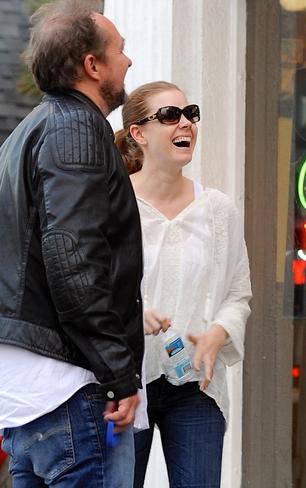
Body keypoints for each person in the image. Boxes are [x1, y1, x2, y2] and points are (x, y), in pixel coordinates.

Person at [0, 0, 143, 486]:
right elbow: (73, 258)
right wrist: (119, 374)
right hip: (71, 390)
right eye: (120, 50)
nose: (128, 61)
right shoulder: (77, 127)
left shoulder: (25, 133)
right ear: (92, 64)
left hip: (28, 402)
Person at [115, 81, 251, 488]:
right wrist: (130, 317)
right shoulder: (113, 205)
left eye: (190, 113)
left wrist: (218, 332)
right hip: (125, 381)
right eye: (170, 116)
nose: (186, 124)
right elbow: (90, 289)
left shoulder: (218, 209)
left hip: (195, 383)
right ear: (138, 133)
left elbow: (238, 292)